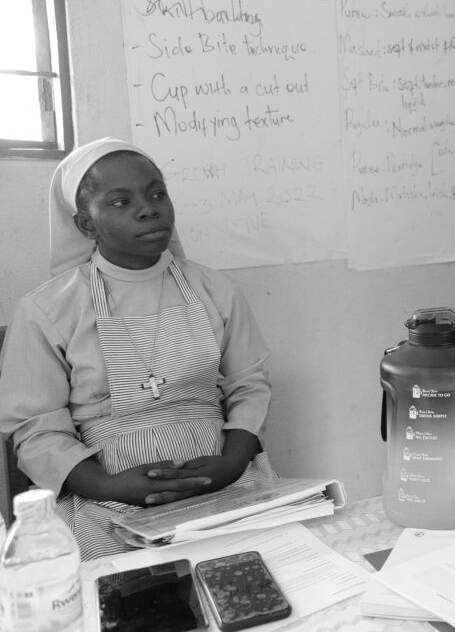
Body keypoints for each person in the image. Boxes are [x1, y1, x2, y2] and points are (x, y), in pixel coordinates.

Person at [0, 138, 276, 560]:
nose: (149, 208)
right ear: (86, 225)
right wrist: (108, 486)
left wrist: (232, 462)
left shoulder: (216, 290)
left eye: (157, 193)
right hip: (107, 499)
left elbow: (248, 385)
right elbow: (36, 429)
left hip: (226, 482)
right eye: (120, 201)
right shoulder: (47, 311)